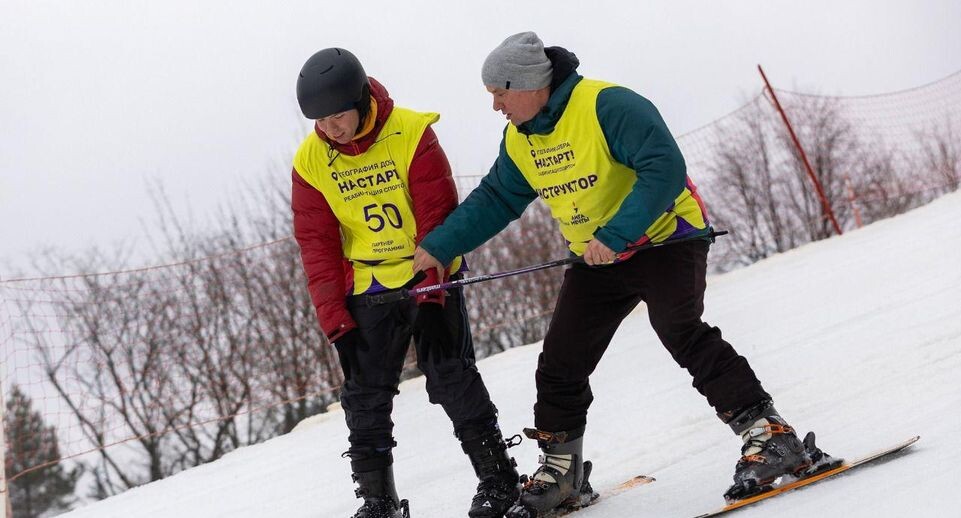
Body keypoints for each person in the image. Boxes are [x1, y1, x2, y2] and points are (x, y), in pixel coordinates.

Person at [413, 32, 836, 515]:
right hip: (595, 260)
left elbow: (664, 168)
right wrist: (438, 248)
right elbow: (496, 199)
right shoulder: (520, 139)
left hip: (664, 237)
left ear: (528, 84)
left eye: (499, 92)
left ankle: (770, 437)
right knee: (560, 361)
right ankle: (562, 472)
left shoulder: (607, 105)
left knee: (679, 328)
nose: (496, 105)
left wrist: (616, 236)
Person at [292, 48, 520, 518]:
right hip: (369, 286)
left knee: (451, 376)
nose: (331, 128)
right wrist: (335, 321)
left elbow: (436, 214)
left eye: (339, 116)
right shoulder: (310, 160)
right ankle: (378, 502)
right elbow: (316, 245)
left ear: (361, 99)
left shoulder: (411, 131)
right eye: (321, 120)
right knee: (364, 395)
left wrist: (432, 294)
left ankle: (500, 482)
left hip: (425, 269)